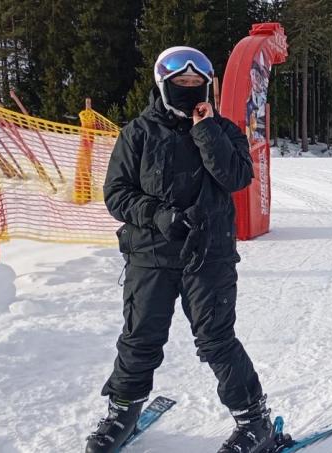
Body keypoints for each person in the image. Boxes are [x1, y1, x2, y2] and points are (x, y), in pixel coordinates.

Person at [87, 46, 275, 453]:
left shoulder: (224, 131)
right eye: (181, 85)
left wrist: (204, 130)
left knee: (216, 339)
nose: (189, 90)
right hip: (151, 255)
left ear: (207, 87)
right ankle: (123, 410)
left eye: (196, 85)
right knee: (140, 338)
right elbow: (116, 193)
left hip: (209, 255)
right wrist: (157, 215)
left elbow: (236, 177)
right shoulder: (137, 132)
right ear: (163, 85)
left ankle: (254, 421)